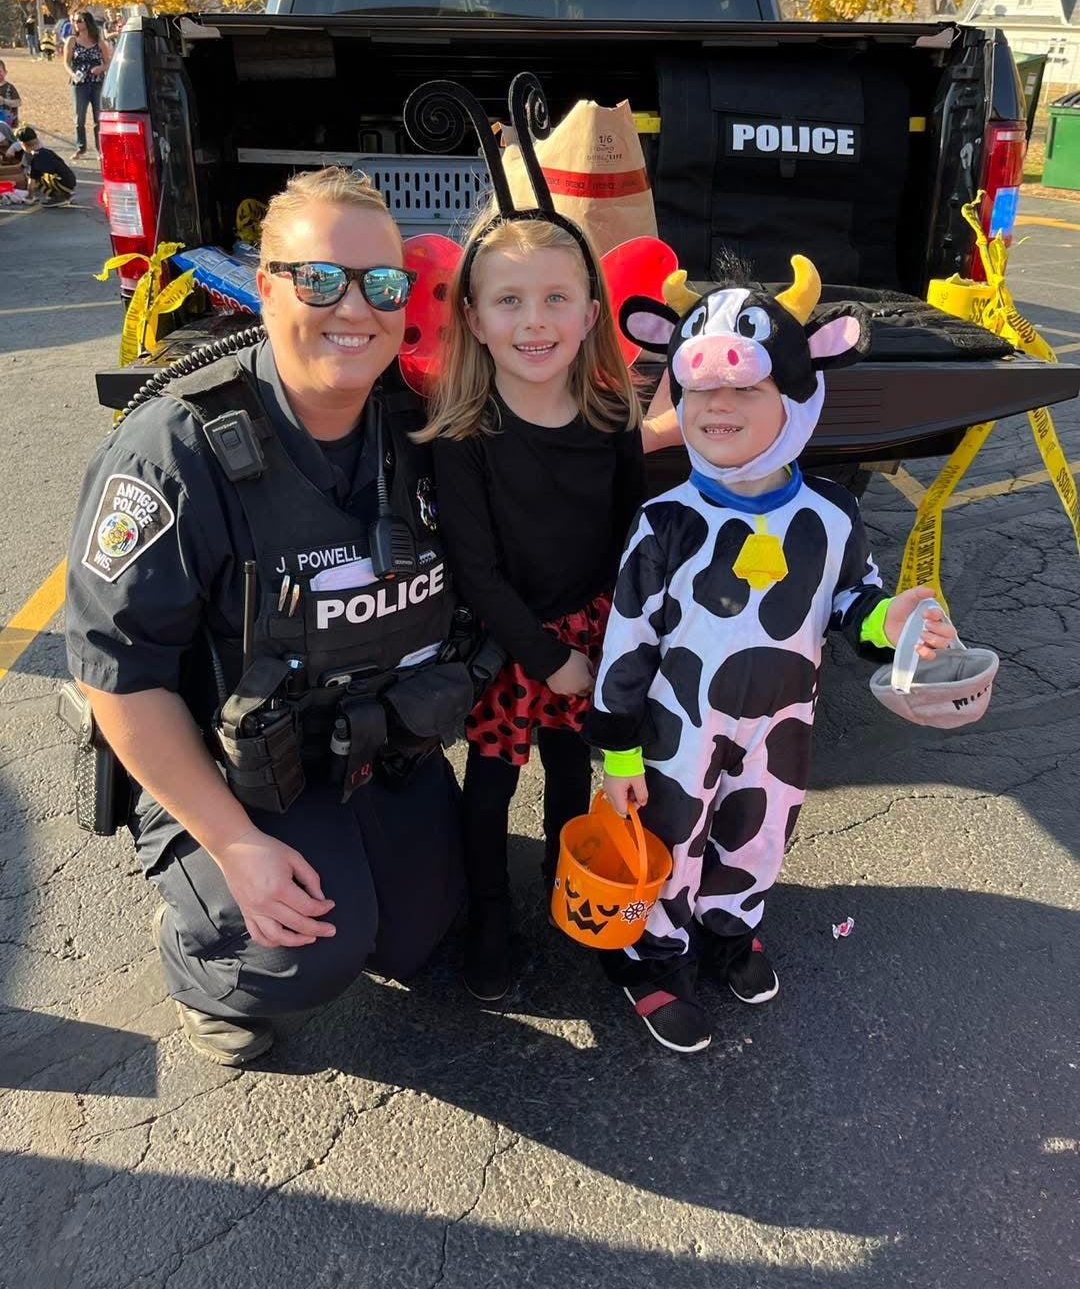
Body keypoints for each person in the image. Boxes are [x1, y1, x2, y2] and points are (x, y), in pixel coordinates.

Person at [65, 167, 468, 1067]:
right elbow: (116, 674)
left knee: (418, 935)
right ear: (264, 283)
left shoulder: (421, 427)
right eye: (319, 278)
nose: (353, 307)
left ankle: (351, 869)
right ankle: (200, 954)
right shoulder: (177, 450)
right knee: (306, 954)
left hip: (371, 745)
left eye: (382, 282)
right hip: (230, 772)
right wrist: (236, 843)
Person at [588, 254, 957, 1054]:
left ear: (796, 393)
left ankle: (729, 932)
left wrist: (893, 622)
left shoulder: (829, 514)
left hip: (783, 721)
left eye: (746, 388)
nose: (719, 407)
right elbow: (627, 640)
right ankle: (652, 962)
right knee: (673, 842)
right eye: (701, 390)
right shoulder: (666, 520)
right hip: (675, 733)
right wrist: (617, 753)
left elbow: (853, 604)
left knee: (759, 832)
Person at [422, 209, 646, 1002]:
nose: (534, 321)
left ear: (590, 316)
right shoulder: (464, 435)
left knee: (567, 765)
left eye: (556, 299)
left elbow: (631, 538)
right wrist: (546, 658)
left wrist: (616, 646)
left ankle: (564, 873)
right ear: (475, 320)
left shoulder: (613, 419)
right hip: (509, 640)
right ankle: (488, 914)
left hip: (592, 628)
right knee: (491, 780)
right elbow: (475, 571)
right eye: (509, 301)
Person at [63, 9, 113, 158]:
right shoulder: (72, 40)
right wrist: (73, 74)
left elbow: (108, 63)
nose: (76, 24)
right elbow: (66, 62)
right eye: (75, 21)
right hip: (79, 84)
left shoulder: (98, 41)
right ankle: (81, 147)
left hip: (97, 83)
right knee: (79, 118)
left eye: (79, 21)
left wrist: (101, 68)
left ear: (87, 22)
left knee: (98, 118)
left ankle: (100, 149)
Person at [7, 126, 76, 202]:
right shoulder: (47, 151)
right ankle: (64, 194)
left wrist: (29, 198)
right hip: (70, 181)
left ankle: (58, 197)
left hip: (63, 184)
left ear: (23, 145)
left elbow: (31, 183)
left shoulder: (35, 159)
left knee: (34, 178)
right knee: (40, 175)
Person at [0, 61, 21, 129]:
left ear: (5, 72)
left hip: (8, 124)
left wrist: (4, 101)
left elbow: (18, 102)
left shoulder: (9, 87)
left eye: (0, 71)